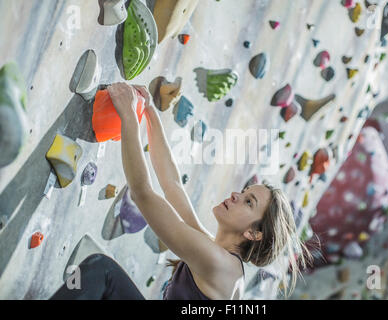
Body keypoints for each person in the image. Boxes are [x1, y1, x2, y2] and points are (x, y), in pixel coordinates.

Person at [50, 82, 311, 300]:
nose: (236, 195)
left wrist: (129, 116)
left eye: (248, 202)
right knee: (99, 274)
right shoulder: (219, 255)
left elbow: (142, 193)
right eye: (244, 192)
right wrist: (151, 114)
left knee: (100, 271)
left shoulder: (218, 264)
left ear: (253, 233)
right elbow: (172, 184)